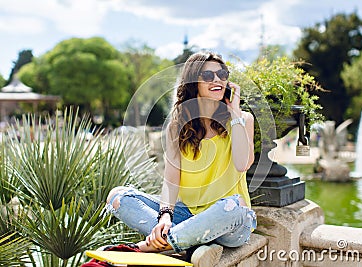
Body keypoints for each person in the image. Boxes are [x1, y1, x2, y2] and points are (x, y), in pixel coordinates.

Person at [89, 51, 256, 267]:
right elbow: (171, 181)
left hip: (230, 222)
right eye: (208, 76)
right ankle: (189, 242)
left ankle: (142, 249)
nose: (217, 80)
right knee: (118, 197)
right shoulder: (177, 127)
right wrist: (165, 217)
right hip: (186, 215)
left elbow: (243, 164)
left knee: (234, 205)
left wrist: (234, 114)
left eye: (222, 74)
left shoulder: (242, 120)